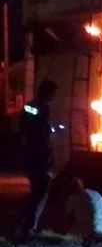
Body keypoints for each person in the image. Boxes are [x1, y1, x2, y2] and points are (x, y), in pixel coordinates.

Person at [17, 80, 59, 238]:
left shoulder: (31, 106)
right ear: (47, 93)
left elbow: (27, 126)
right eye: (52, 93)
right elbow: (39, 132)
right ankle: (27, 227)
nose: (53, 97)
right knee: (40, 191)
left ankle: (25, 223)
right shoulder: (41, 108)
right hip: (37, 156)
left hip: (31, 155)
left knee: (36, 191)